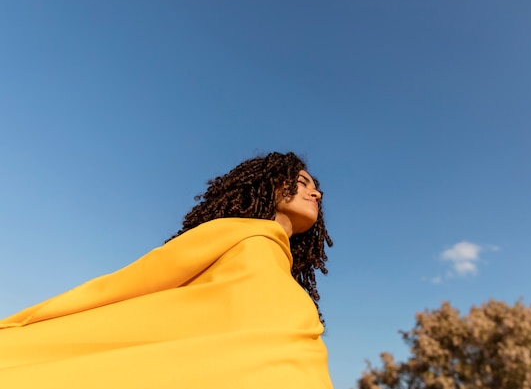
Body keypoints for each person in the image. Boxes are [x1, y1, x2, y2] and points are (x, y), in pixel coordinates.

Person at [0, 151, 334, 388]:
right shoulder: (231, 235)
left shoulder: (281, 268)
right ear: (272, 183)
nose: (315, 192)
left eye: (315, 187)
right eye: (303, 182)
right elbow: (129, 289)